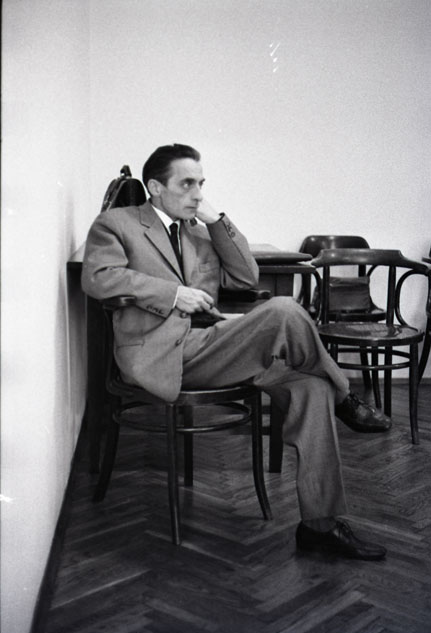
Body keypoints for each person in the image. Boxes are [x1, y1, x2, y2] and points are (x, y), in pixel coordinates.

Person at [82, 143, 391, 561]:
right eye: (186, 184)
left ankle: (320, 526)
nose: (197, 194)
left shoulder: (199, 230)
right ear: (155, 186)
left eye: (201, 184)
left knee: (312, 389)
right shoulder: (117, 224)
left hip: (212, 345)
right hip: (162, 353)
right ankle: (347, 399)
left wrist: (217, 221)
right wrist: (172, 294)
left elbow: (246, 276)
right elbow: (98, 278)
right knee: (284, 309)